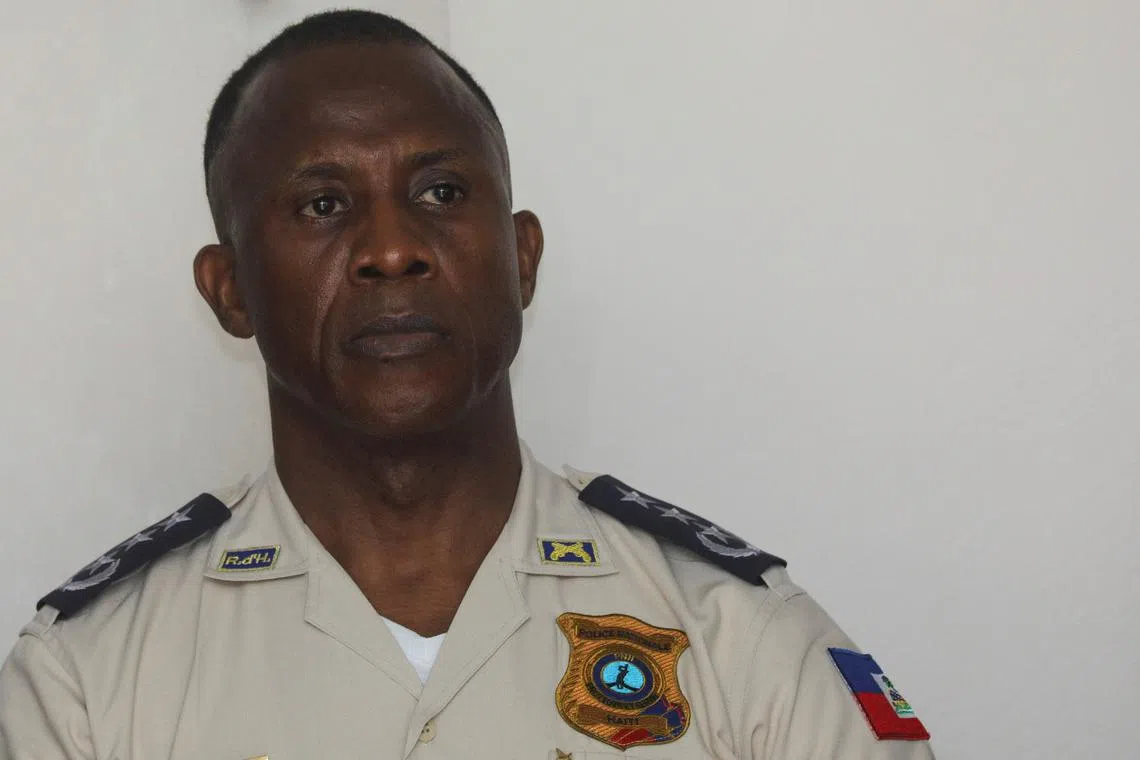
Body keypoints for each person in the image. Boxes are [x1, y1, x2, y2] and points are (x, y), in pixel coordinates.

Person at [0, 10, 936, 759]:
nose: (394, 248)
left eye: (442, 192)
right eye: (323, 205)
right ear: (230, 288)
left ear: (522, 259)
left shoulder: (742, 641)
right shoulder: (86, 683)